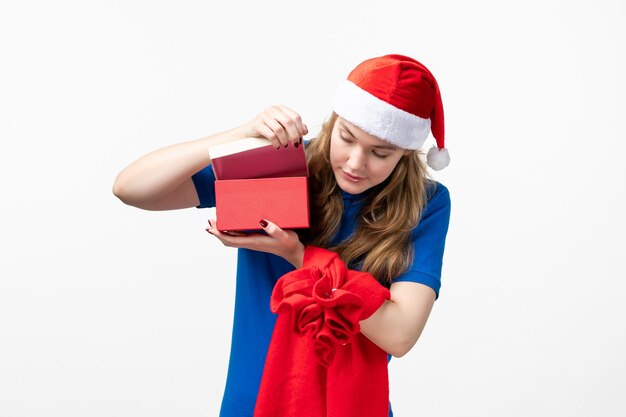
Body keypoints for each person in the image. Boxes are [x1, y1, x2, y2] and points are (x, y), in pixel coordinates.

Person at [113, 54, 451, 417]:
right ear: (333, 121)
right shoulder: (279, 165)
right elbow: (131, 188)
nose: (355, 163)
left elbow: (399, 334)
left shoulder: (425, 204)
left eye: (380, 154)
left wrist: (301, 257)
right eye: (347, 138)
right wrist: (241, 136)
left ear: (405, 153)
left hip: (350, 406)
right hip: (255, 400)